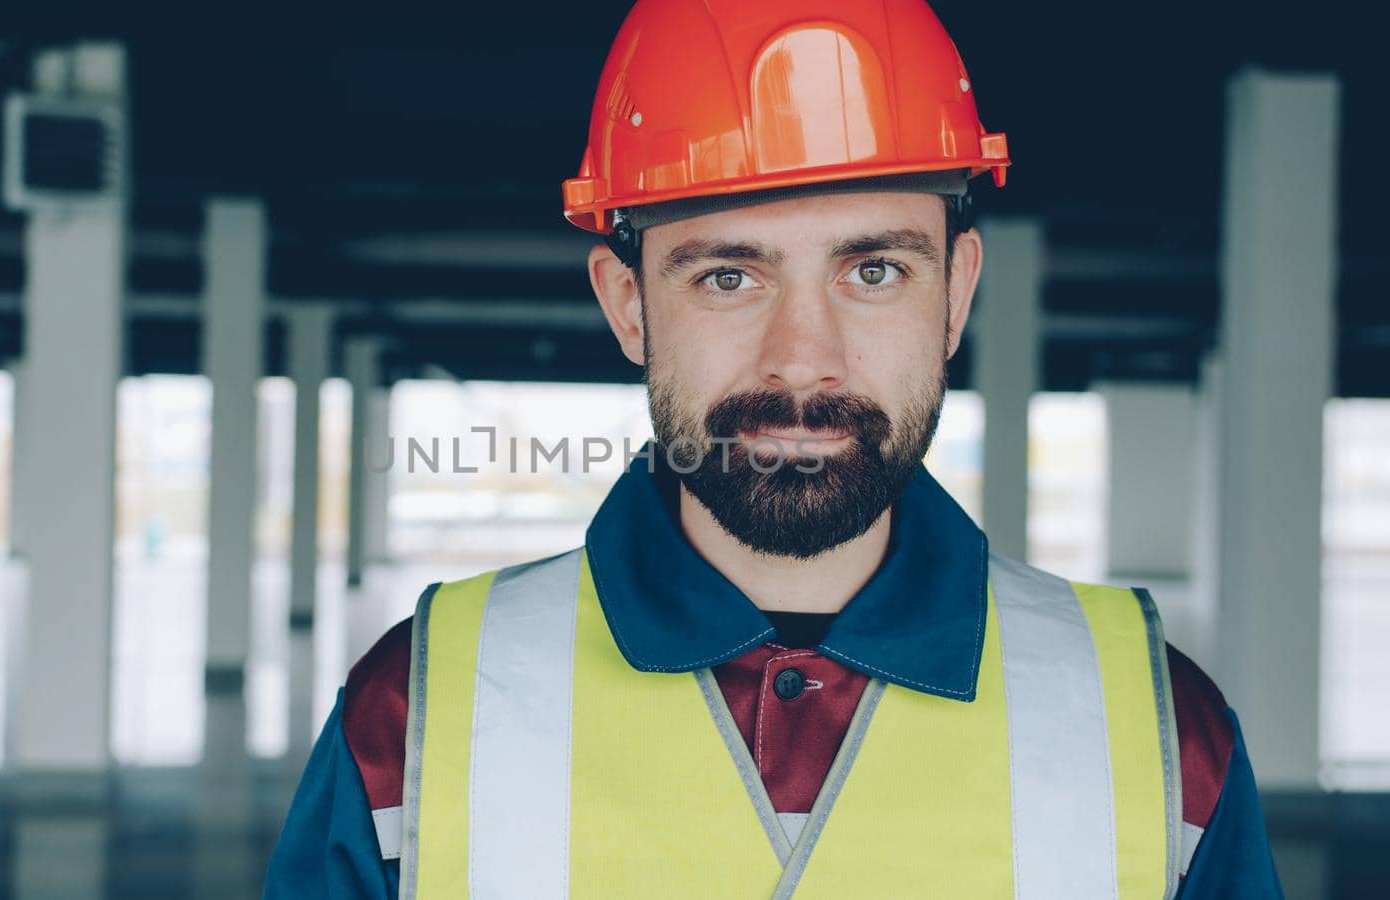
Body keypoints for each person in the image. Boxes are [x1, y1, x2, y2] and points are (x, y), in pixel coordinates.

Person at [265, 0, 1282, 896]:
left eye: (874, 271)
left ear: (957, 292)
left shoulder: (1156, 736)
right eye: (727, 278)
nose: (803, 362)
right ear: (627, 305)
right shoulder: (413, 719)